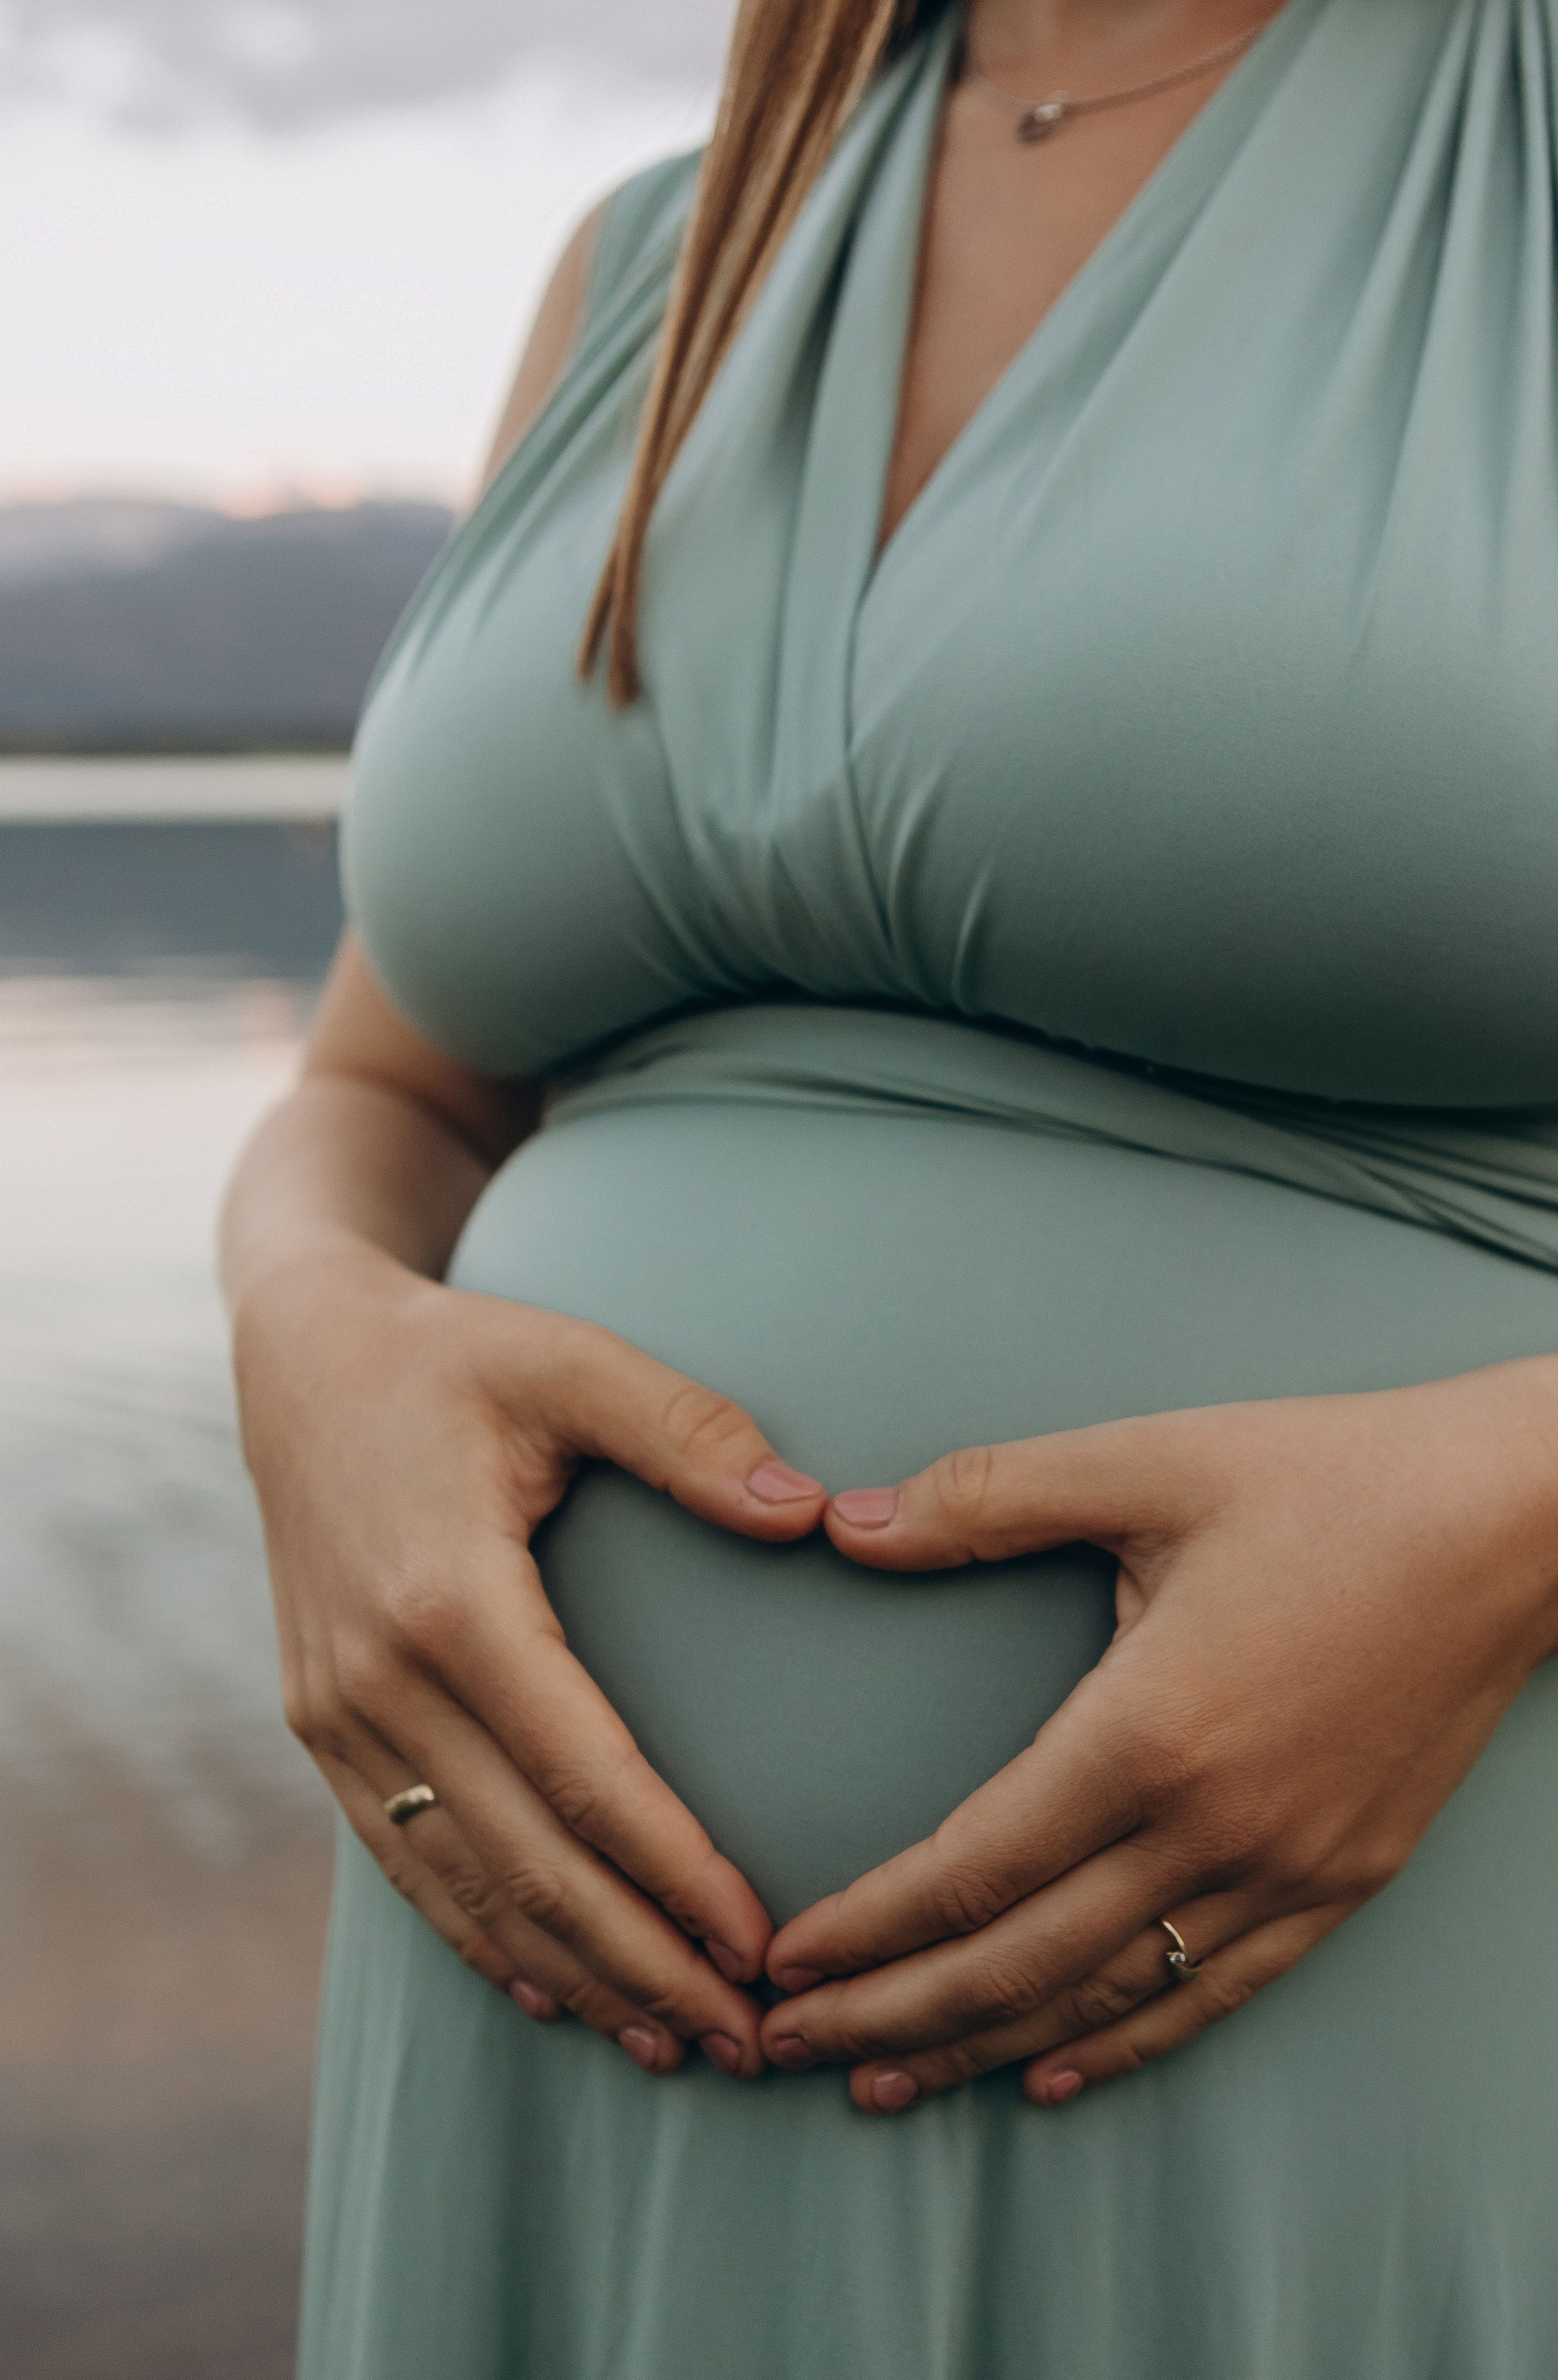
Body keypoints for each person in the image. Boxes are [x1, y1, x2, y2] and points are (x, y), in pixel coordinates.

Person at [219, 1, 1558, 2372]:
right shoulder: (664, 243)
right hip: (544, 2026)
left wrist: (1512, 1504)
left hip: (1373, 1950)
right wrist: (311, 1346)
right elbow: (394, 1080)